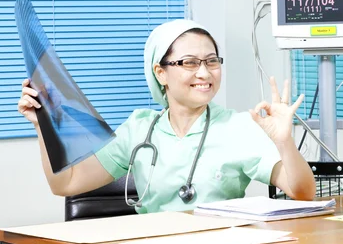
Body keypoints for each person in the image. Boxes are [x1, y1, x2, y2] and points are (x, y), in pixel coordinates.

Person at [18, 19, 316, 213]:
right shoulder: (139, 129)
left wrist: (284, 142)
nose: (204, 72)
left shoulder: (238, 127)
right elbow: (65, 185)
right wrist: (41, 126)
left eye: (212, 61)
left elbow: (302, 192)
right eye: (189, 62)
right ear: (160, 72)